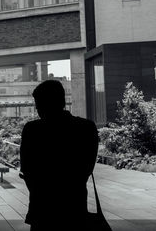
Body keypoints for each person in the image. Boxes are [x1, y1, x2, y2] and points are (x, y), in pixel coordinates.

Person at [20, 80, 99, 230]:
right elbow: (87, 168)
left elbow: (27, 169)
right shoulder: (86, 128)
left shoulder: (32, 130)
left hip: (42, 210)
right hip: (74, 207)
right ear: (62, 101)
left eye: (39, 105)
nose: (37, 110)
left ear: (43, 105)